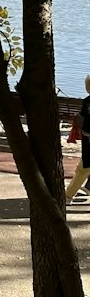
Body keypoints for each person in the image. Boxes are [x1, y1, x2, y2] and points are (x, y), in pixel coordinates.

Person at [65, 75, 90, 203]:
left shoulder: (87, 101)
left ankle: (69, 195)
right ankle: (70, 195)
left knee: (83, 169)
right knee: (84, 168)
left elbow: (83, 119)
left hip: (87, 139)